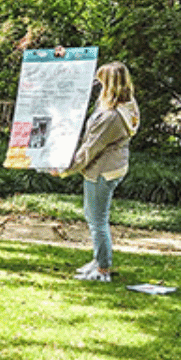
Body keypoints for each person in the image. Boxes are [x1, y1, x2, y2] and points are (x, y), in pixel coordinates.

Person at [54, 60, 139, 281]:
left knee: (97, 220)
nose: (98, 87)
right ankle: (98, 260)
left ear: (110, 86)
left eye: (101, 83)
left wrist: (64, 169)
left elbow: (90, 149)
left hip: (103, 171)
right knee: (94, 216)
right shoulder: (125, 106)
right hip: (113, 167)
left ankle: (103, 269)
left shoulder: (111, 118)